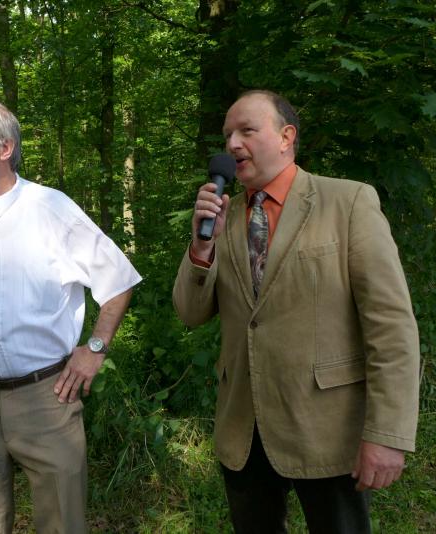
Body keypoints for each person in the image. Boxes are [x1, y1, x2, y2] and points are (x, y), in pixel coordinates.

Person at [173, 90, 420, 533]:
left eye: (247, 131)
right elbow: (190, 313)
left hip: (327, 428)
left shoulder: (347, 202)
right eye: (227, 134)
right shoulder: (223, 217)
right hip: (244, 430)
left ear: (287, 137)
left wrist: (388, 434)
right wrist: (201, 247)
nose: (232, 144)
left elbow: (391, 326)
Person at [0, 97, 141, 534]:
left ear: (5, 147)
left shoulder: (52, 209)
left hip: (46, 397)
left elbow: (118, 281)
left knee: (62, 521)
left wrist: (94, 349)